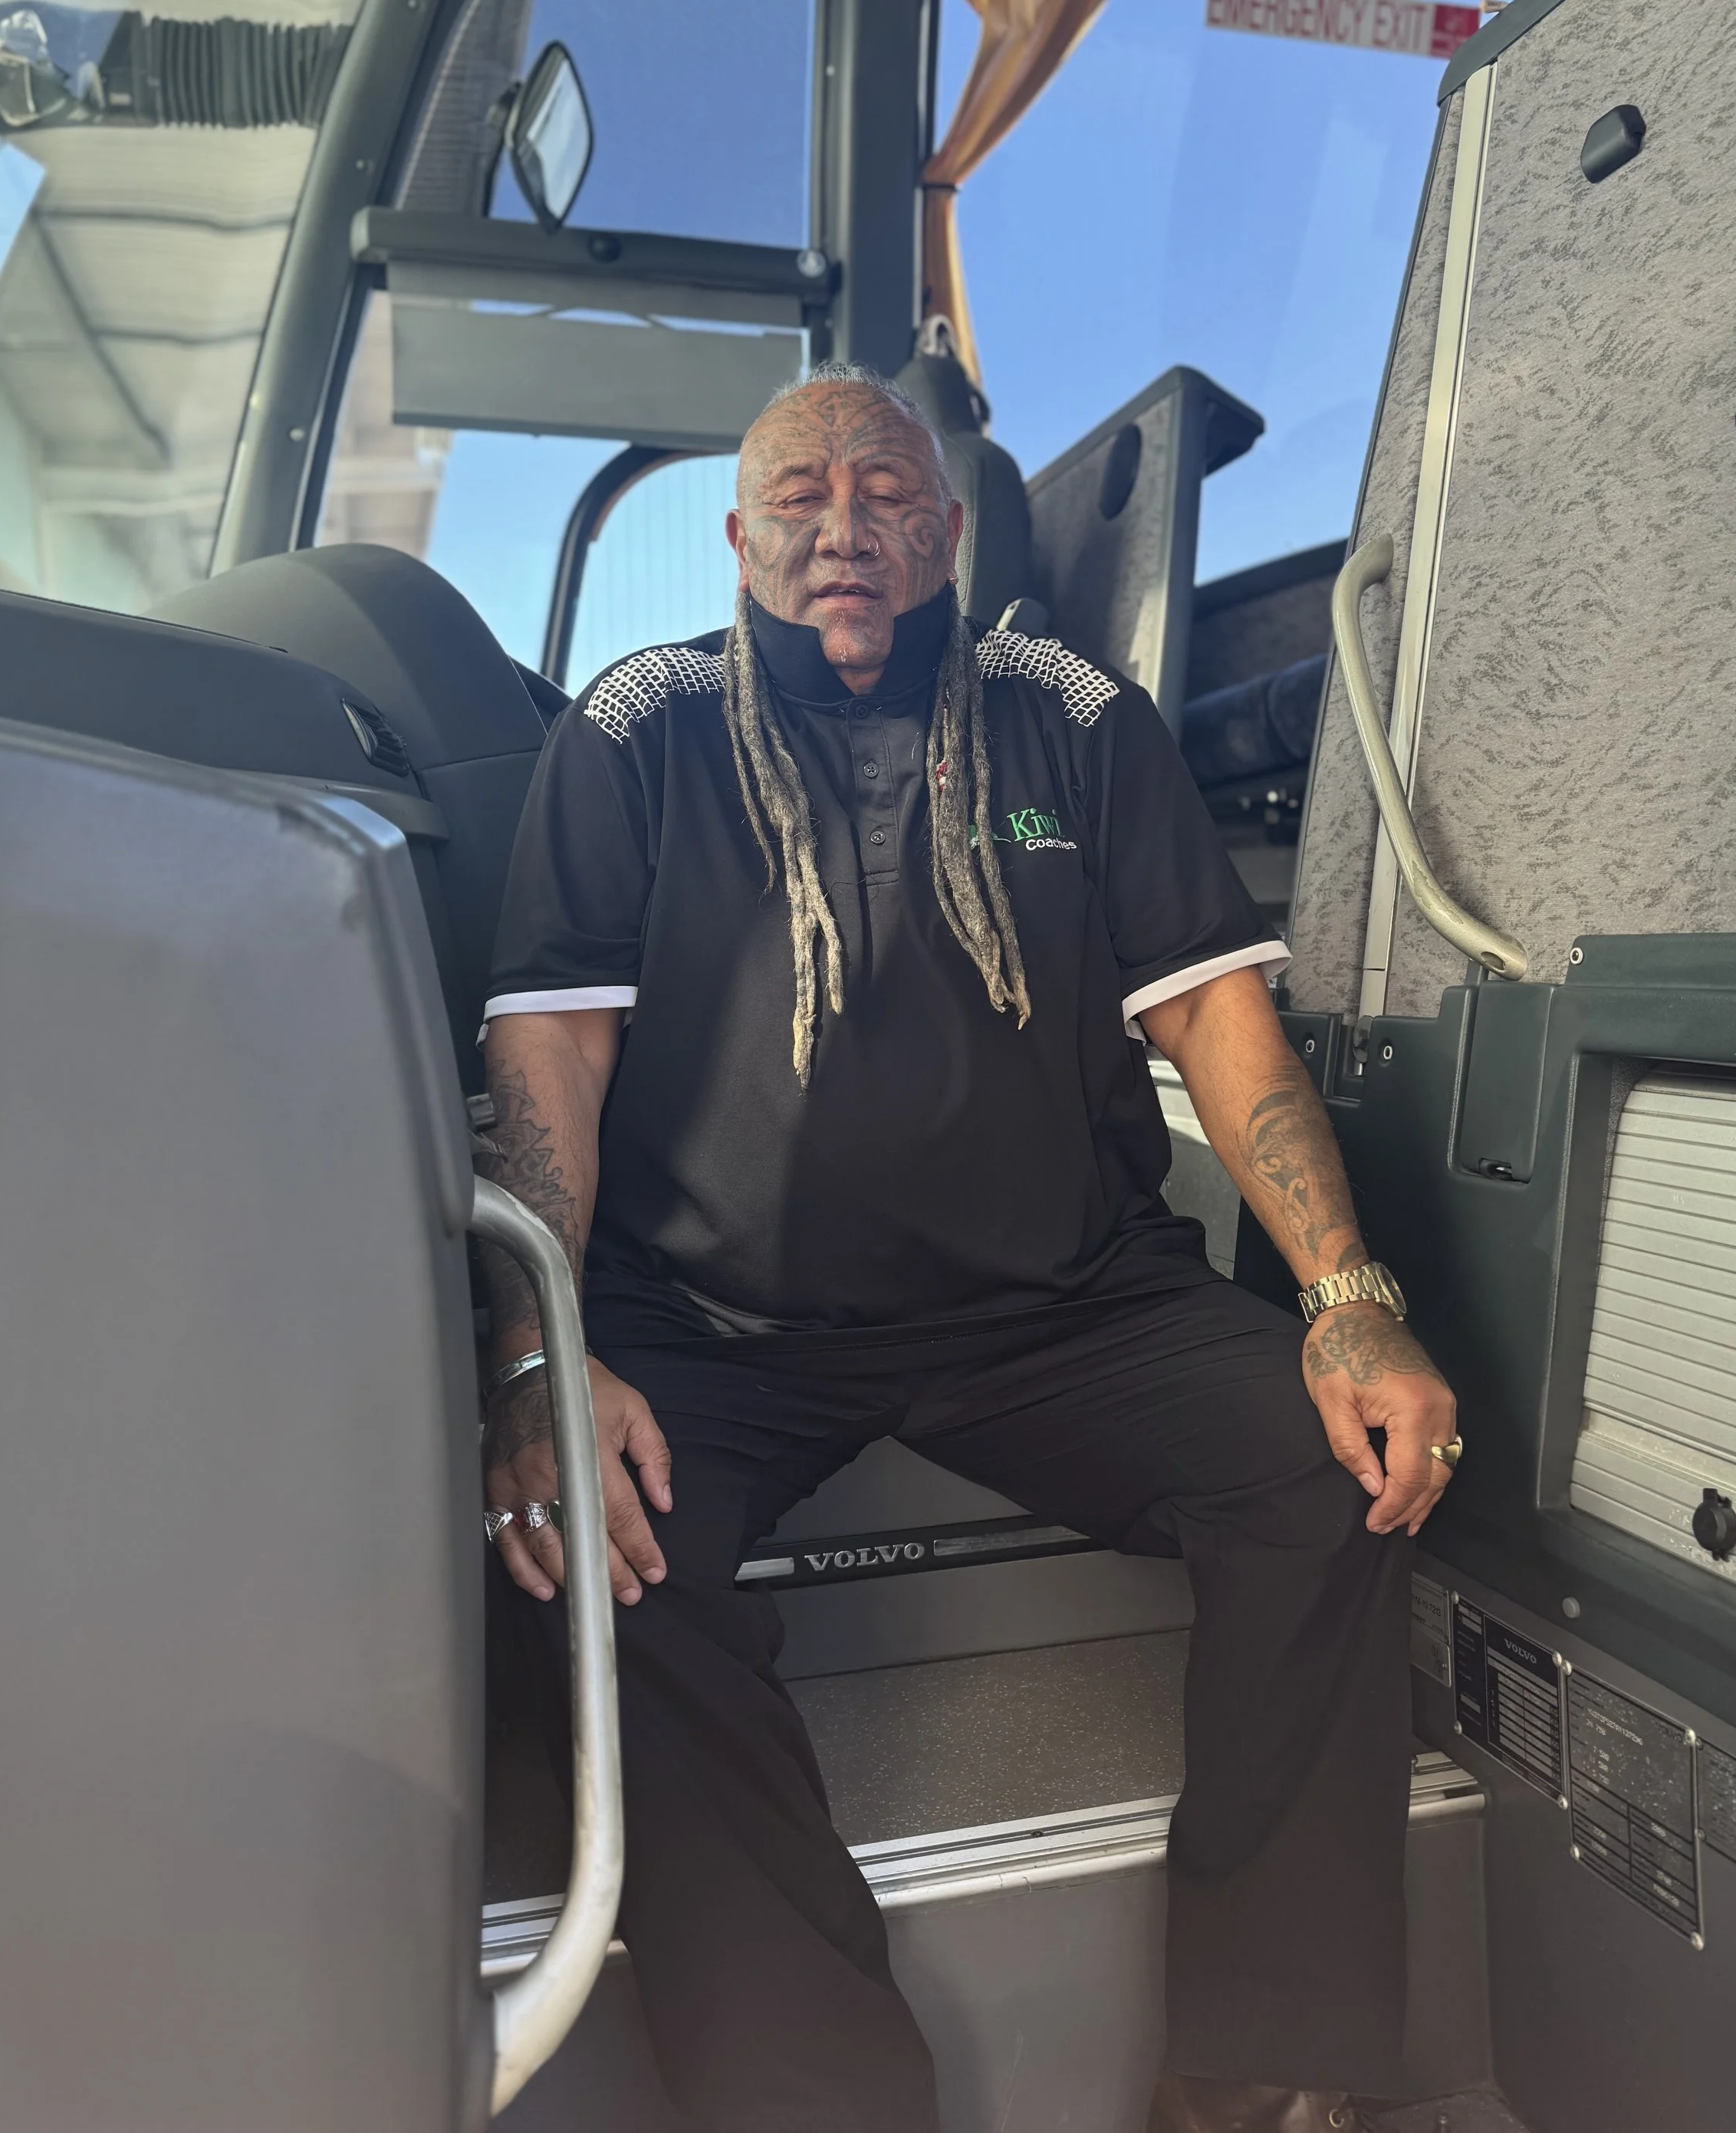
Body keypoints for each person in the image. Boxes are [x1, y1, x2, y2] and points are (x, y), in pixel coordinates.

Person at [475, 361, 1459, 2133]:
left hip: (1060, 1304)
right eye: (798, 495)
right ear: (737, 536)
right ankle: (816, 2097)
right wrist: (543, 1355)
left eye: (880, 491)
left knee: (1325, 1473)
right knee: (595, 1551)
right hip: (712, 1319)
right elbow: (548, 1054)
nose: (840, 525)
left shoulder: (1072, 716)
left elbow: (1223, 1030)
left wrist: (1345, 1298)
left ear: (943, 530)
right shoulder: (636, 727)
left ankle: (1252, 2061)